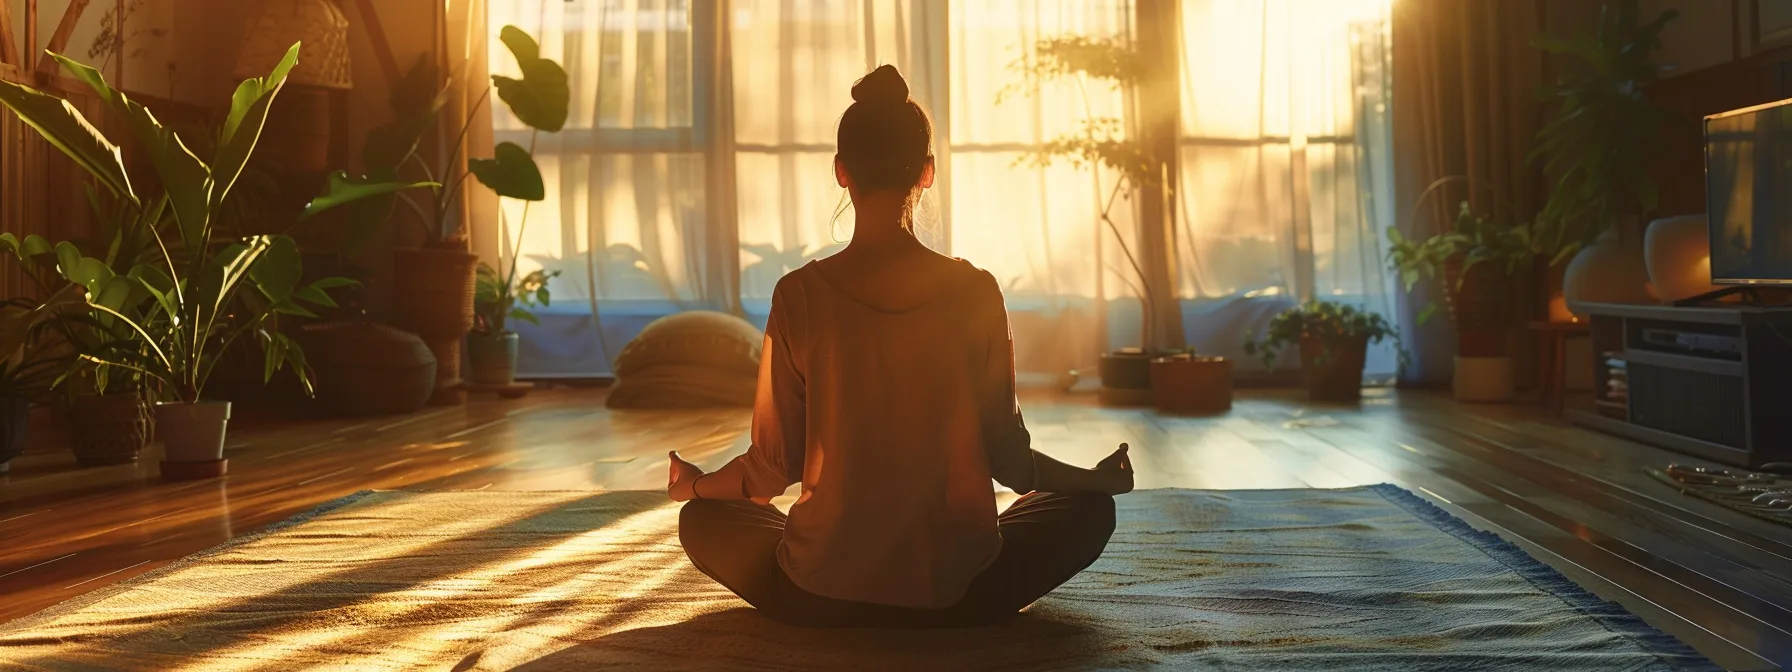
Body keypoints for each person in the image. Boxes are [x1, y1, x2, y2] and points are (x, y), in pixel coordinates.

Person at [667, 64, 1134, 629]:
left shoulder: (798, 295)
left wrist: (695, 484)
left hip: (819, 594)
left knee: (702, 519)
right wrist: (1094, 479)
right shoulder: (976, 292)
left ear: (841, 172)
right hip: (959, 595)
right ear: (927, 172)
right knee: (1087, 511)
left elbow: (771, 471)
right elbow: (1012, 463)